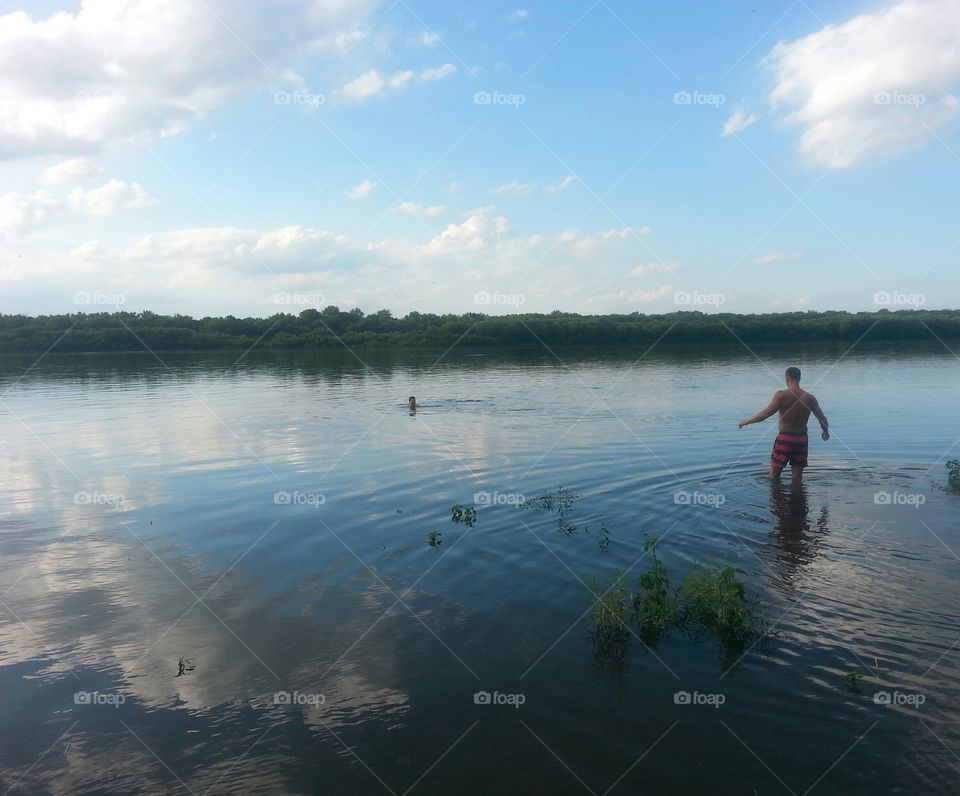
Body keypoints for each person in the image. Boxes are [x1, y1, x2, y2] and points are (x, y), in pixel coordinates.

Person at [738, 367, 829, 483]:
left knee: (774, 477)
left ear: (788, 378)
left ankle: (777, 501)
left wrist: (747, 421)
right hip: (802, 440)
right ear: (799, 378)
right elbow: (823, 419)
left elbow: (765, 414)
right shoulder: (810, 398)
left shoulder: (781, 395)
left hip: (785, 439)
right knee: (797, 479)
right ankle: (798, 500)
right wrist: (826, 432)